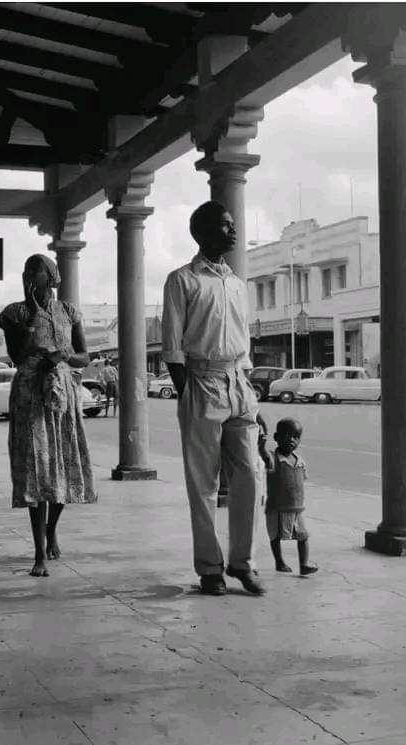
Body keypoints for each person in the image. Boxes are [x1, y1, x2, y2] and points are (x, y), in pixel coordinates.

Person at [162, 200, 263, 597]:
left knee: (250, 476)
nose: (233, 230)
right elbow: (173, 346)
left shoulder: (237, 284)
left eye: (233, 223)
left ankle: (243, 563)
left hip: (239, 383)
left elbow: (243, 339)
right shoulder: (182, 280)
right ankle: (210, 569)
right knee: (204, 483)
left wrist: (248, 389)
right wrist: (187, 391)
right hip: (201, 382)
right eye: (224, 224)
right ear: (201, 232)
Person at [0, 254, 96, 577]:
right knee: (37, 470)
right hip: (30, 393)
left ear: (51, 275)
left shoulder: (68, 311)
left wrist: (64, 356)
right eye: (27, 270)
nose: (29, 274)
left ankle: (51, 530)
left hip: (62, 392)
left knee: (64, 465)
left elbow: (84, 357)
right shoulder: (15, 313)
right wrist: (30, 317)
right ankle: (38, 552)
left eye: (35, 270)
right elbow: (16, 356)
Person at [262, 417, 318, 576]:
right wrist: (261, 444)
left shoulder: (300, 461)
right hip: (276, 507)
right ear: (276, 437)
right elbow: (263, 455)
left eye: (296, 436)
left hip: (296, 507)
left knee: (303, 536)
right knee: (275, 536)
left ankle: (304, 564)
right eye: (287, 435)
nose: (292, 440)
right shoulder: (273, 459)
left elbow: (302, 480)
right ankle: (279, 561)